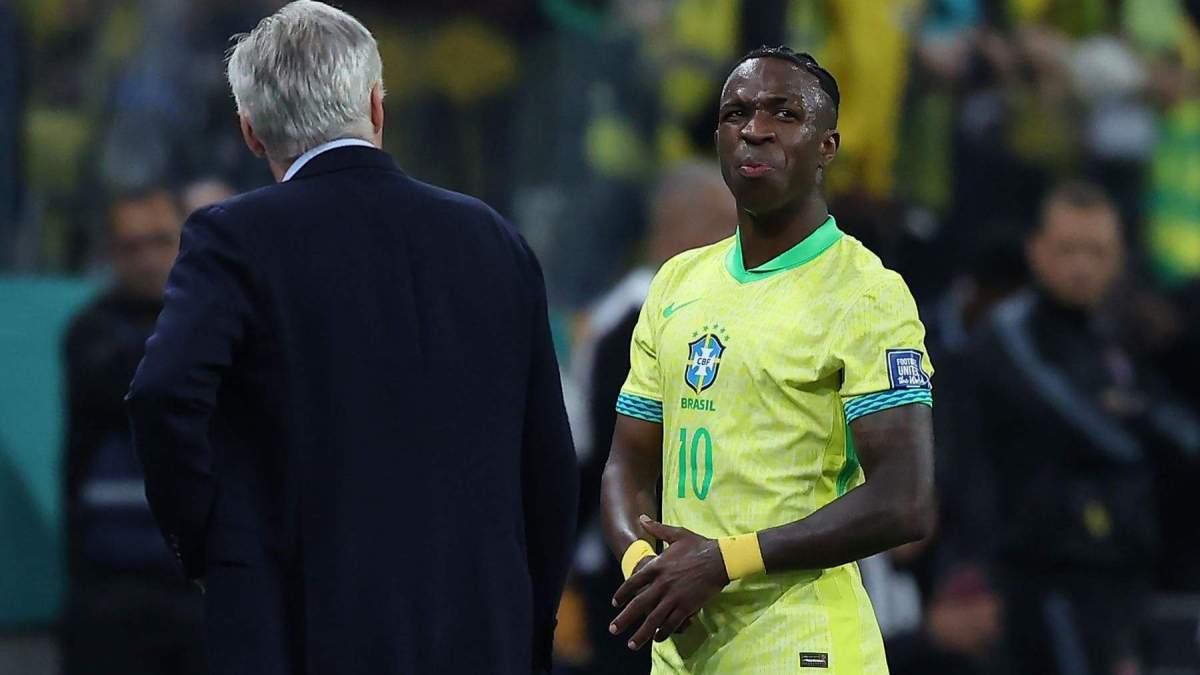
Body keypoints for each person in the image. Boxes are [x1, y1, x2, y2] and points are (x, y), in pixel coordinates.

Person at [125, 3, 577, 674]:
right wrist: (528, 616)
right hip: (484, 629)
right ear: (376, 104)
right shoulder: (493, 239)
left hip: (300, 624)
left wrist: (212, 546)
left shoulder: (234, 239)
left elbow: (162, 394)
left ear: (251, 131)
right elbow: (548, 462)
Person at [601, 46, 936, 674]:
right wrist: (642, 566)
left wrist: (724, 560)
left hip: (802, 644)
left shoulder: (865, 292)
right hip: (683, 648)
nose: (755, 129)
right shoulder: (676, 284)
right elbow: (627, 464)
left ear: (828, 146)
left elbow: (905, 498)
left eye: (785, 113)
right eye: (737, 113)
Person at [959, 181, 1200, 674]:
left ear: (1118, 258)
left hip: (1123, 570)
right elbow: (1087, 422)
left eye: (1097, 251)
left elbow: (1173, 423)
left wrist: (1138, 415)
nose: (1082, 266)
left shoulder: (1115, 334)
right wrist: (1137, 421)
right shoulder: (1009, 333)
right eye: (1068, 250)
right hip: (1042, 574)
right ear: (1036, 250)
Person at [570, 162, 735, 674]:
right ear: (685, 227)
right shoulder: (641, 321)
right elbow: (620, 456)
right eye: (726, 223)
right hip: (651, 575)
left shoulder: (612, 315)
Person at [62, 185, 204, 675]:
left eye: (161, 241)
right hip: (113, 585)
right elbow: (138, 384)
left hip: (203, 585)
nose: (147, 260)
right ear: (110, 254)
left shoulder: (222, 326)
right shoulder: (91, 334)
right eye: (131, 246)